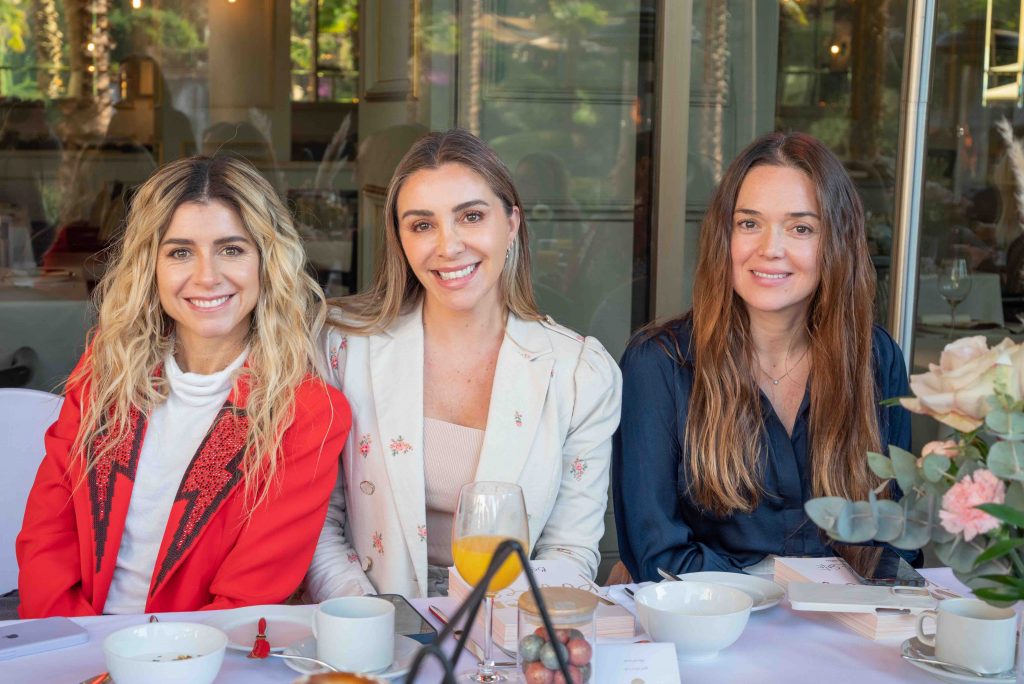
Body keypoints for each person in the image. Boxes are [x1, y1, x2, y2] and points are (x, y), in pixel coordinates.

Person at [16, 155, 350, 617]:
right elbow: (47, 535)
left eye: (232, 249)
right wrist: (77, 651)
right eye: (179, 252)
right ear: (149, 266)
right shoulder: (107, 370)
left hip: (199, 658)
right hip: (79, 646)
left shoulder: (306, 411)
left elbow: (249, 595)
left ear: (266, 261)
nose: (206, 276)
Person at [305, 129, 622, 599]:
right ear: (400, 238)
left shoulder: (580, 374)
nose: (448, 246)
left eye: (471, 216)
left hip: (510, 623)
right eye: (421, 224)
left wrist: (491, 631)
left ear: (511, 222)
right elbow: (316, 523)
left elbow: (570, 551)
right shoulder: (341, 348)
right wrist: (367, 618)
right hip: (367, 617)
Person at [613, 132, 912, 582]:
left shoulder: (875, 357)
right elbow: (657, 557)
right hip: (715, 636)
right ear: (724, 237)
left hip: (848, 632)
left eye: (800, 228)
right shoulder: (659, 364)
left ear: (836, 243)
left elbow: (896, 536)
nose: (769, 248)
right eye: (749, 223)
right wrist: (782, 585)